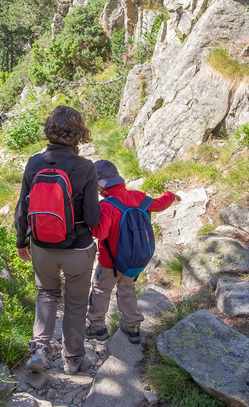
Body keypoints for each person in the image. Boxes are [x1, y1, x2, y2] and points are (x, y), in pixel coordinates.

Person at [15, 105, 100, 375]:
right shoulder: (85, 167)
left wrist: (22, 242)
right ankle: (73, 359)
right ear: (79, 133)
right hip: (77, 248)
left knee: (47, 294)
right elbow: (93, 217)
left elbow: (22, 209)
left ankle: (40, 348)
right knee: (75, 303)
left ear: (49, 130)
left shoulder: (34, 163)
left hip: (41, 246)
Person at [87, 159, 180, 344]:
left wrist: (90, 221)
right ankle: (133, 326)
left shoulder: (106, 206)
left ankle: (97, 327)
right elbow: (160, 204)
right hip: (134, 261)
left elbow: (100, 232)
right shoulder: (138, 197)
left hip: (110, 262)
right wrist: (171, 195)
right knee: (127, 290)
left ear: (100, 185)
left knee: (100, 290)